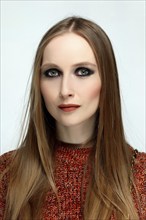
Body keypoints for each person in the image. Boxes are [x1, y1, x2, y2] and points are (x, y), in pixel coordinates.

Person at [0, 16, 145, 220]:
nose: (65, 90)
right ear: (38, 84)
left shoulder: (141, 176)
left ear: (107, 81)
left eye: (83, 71)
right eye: (52, 73)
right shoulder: (6, 174)